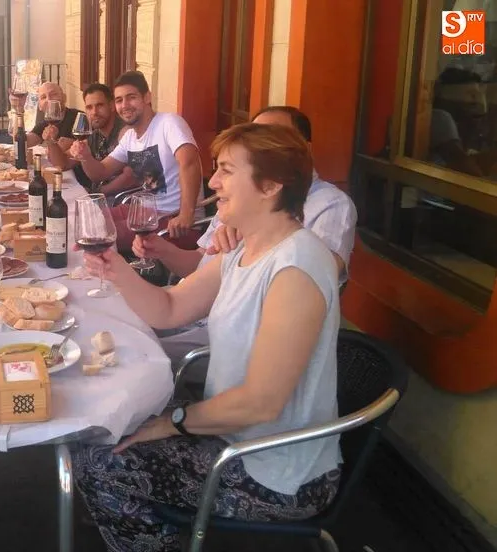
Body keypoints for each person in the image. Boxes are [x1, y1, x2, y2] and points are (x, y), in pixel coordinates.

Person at [75, 123, 342, 550]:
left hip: (276, 470)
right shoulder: (244, 246)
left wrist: (173, 423)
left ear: (270, 185)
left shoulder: (296, 267)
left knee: (100, 462)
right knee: (100, 422)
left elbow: (260, 402)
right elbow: (171, 308)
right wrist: (115, 269)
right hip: (232, 434)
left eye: (226, 170)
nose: (212, 182)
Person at [134, 106, 358, 362]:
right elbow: (195, 271)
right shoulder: (240, 201)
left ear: (303, 150)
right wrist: (160, 250)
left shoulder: (329, 206)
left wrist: (249, 233)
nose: (213, 183)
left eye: (271, 137)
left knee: (132, 357)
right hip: (196, 309)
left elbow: (319, 276)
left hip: (231, 334)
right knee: (117, 329)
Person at [70, 71, 204, 252]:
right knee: (83, 221)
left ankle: (100, 277)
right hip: (142, 212)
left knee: (99, 236)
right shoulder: (130, 137)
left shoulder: (169, 123)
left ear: (147, 97)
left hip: (173, 221)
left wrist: (186, 214)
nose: (124, 105)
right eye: (119, 100)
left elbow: (189, 162)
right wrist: (85, 156)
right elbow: (100, 172)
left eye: (131, 97)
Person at [44, 82, 136, 195]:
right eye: (89, 107)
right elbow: (63, 164)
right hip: (100, 196)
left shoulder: (125, 132)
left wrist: (96, 193)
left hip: (119, 201)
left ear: (112, 106)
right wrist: (51, 141)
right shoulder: (95, 135)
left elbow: (130, 177)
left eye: (100, 105)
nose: (94, 112)